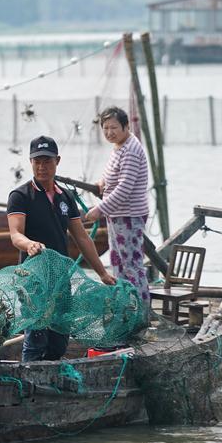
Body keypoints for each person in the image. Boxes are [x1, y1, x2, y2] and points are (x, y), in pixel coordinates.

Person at [7, 135, 116, 362]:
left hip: (61, 279)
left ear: (57, 161)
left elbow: (82, 238)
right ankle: (28, 384)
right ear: (30, 162)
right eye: (37, 161)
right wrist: (30, 245)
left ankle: (50, 382)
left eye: (47, 161)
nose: (41, 166)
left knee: (59, 342)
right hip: (33, 279)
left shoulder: (66, 197)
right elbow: (16, 234)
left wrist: (102, 273)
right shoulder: (20, 196)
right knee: (36, 339)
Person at [84, 106, 151, 311]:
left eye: (114, 127)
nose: (109, 132)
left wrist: (99, 209)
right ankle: (126, 309)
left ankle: (141, 312)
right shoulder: (119, 146)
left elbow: (124, 188)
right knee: (118, 263)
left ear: (126, 126)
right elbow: (113, 174)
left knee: (132, 266)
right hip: (118, 215)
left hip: (129, 216)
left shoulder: (130, 149)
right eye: (105, 128)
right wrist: (102, 182)